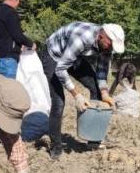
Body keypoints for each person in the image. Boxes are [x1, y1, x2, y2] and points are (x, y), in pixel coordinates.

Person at [42, 22, 125, 159]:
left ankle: (94, 138)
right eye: (110, 45)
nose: (110, 49)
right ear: (101, 36)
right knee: (59, 102)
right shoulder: (81, 39)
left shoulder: (106, 47)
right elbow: (61, 69)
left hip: (73, 56)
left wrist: (104, 93)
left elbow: (102, 71)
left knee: (97, 90)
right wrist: (77, 95)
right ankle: (56, 146)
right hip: (54, 56)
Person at [0, 0, 35, 79]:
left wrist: (18, 47)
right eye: (18, 0)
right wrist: (31, 44)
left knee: (1, 90)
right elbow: (17, 35)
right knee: (10, 91)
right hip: (7, 59)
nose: (18, 3)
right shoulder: (10, 12)